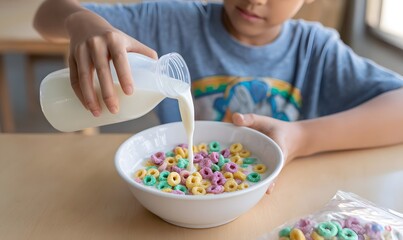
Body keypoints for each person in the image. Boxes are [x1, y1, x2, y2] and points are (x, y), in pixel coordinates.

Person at [34, 0, 403, 167]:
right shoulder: (173, 19)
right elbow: (44, 15)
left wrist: (302, 138)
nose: (256, 0)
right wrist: (80, 21)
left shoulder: (315, 49)